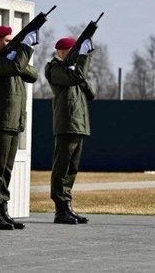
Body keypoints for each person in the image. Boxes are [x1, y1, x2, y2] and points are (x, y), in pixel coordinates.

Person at [0, 25, 39, 230]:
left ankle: (3, 210)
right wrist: (24, 49)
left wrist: (17, 53)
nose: (10, 44)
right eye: (7, 41)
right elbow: (14, 68)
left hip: (12, 121)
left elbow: (32, 75)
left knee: (6, 170)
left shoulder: (11, 60)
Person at [44, 36, 95, 224]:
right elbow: (76, 78)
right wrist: (82, 61)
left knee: (72, 168)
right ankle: (60, 208)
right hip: (66, 123)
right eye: (67, 52)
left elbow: (91, 92)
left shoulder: (74, 71)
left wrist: (78, 69)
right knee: (62, 167)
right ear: (60, 52)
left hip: (79, 124)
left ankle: (68, 206)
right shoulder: (54, 68)